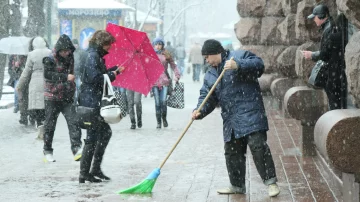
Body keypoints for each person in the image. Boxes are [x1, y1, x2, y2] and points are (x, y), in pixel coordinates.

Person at [192, 39, 280, 197]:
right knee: (232, 152)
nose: (206, 61)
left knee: (258, 146)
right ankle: (237, 185)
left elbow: (259, 65)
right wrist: (199, 110)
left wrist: (238, 65)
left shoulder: (238, 56)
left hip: (251, 112)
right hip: (231, 118)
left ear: (214, 53)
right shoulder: (211, 74)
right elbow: (207, 96)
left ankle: (271, 182)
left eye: (207, 57)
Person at [78, 30, 124, 183]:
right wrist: (112, 75)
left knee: (104, 134)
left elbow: (99, 74)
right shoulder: (92, 56)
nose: (109, 48)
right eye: (108, 45)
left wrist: (114, 70)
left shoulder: (94, 55)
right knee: (92, 138)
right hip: (92, 102)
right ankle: (85, 173)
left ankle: (94, 169)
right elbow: (95, 78)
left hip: (93, 100)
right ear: (101, 44)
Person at [42, 34, 83, 162]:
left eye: (68, 51)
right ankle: (47, 151)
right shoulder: (50, 58)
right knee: (50, 125)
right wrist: (65, 77)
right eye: (64, 51)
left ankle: (76, 148)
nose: (67, 53)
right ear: (59, 50)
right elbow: (47, 74)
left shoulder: (71, 57)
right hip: (52, 97)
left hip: (67, 96)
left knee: (74, 122)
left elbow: (73, 71)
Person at [301, 4, 347, 110]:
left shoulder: (330, 29)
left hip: (334, 73)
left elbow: (326, 54)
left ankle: (337, 124)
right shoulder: (330, 27)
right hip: (335, 72)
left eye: (315, 17)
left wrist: (312, 55)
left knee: (335, 103)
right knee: (335, 102)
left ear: (321, 16)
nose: (314, 20)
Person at [17, 37, 51, 139]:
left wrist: (19, 85)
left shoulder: (31, 54)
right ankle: (47, 128)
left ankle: (40, 128)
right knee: (47, 107)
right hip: (48, 81)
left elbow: (26, 72)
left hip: (35, 83)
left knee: (38, 108)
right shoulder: (50, 53)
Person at [152, 37, 180, 129]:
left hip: (164, 81)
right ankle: (158, 122)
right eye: (156, 44)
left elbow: (173, 65)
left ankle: (164, 118)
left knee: (163, 102)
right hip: (154, 82)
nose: (158, 46)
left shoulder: (166, 54)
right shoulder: (150, 55)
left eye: (159, 44)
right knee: (157, 103)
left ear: (162, 45)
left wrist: (177, 74)